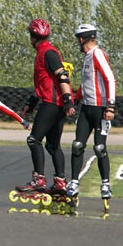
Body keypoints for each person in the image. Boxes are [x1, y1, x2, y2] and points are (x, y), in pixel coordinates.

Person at [16, 18, 76, 194]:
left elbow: (62, 77)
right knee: (52, 146)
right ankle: (60, 183)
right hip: (55, 104)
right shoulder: (45, 52)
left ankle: (39, 180)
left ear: (32, 37)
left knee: (33, 140)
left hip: (52, 104)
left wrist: (68, 101)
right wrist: (31, 103)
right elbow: (45, 84)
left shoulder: (47, 53)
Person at [66, 24, 117, 200]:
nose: (77, 44)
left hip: (101, 110)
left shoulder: (97, 54)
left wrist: (110, 106)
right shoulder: (87, 57)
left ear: (82, 39)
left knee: (99, 147)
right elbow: (85, 84)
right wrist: (73, 102)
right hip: (86, 109)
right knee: (77, 145)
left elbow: (109, 78)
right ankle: (73, 182)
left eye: (78, 40)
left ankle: (105, 185)